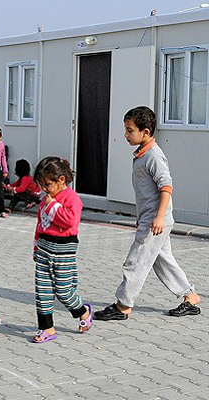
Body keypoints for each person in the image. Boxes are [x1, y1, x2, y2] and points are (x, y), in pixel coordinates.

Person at [94, 106, 201, 321]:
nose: (125, 135)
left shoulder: (153, 156)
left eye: (129, 130)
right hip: (151, 219)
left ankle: (123, 305)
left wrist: (158, 217)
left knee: (136, 262)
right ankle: (190, 297)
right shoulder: (142, 154)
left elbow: (166, 187)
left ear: (145, 131)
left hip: (156, 221)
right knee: (163, 261)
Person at [31, 156, 92, 343]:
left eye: (47, 184)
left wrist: (53, 205)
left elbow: (70, 221)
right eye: (41, 184)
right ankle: (47, 328)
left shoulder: (71, 198)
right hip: (44, 248)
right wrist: (36, 246)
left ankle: (83, 311)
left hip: (63, 250)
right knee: (42, 291)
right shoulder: (46, 200)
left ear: (61, 180)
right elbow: (41, 223)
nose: (43, 189)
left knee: (64, 290)